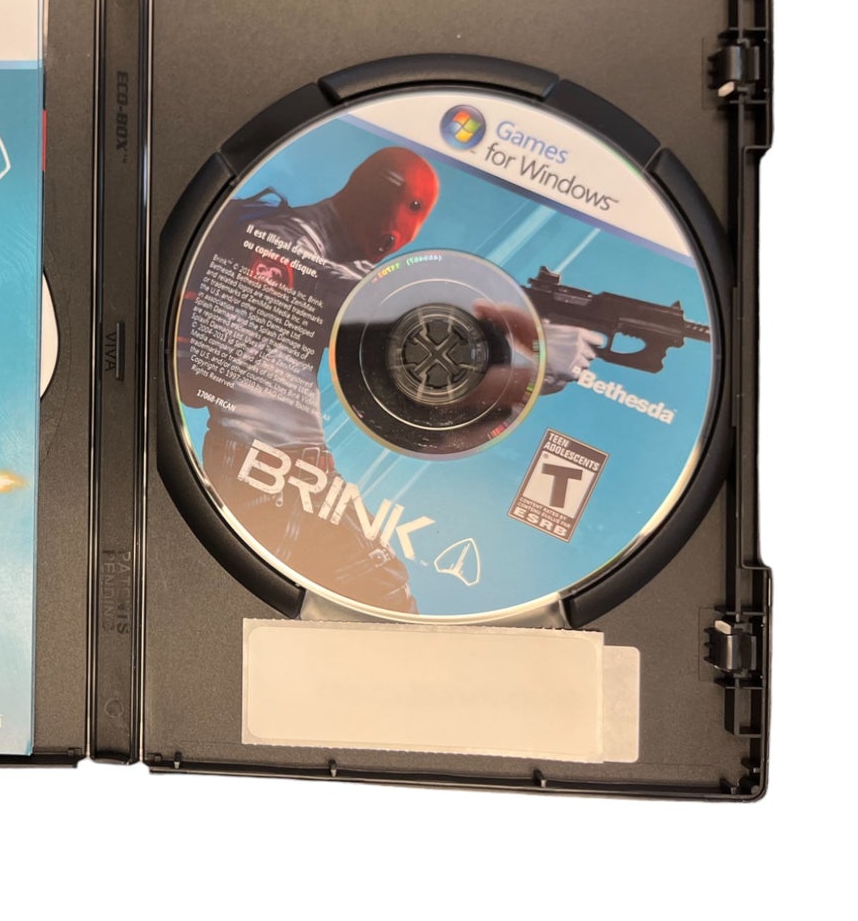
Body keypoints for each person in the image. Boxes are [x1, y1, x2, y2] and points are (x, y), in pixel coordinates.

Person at [177, 146, 602, 616]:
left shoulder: (347, 262)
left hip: (282, 463)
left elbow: (405, 372)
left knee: (363, 600)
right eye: (411, 208)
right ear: (374, 192)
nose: (401, 238)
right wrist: (525, 341)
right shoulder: (279, 240)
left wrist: (521, 367)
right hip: (266, 462)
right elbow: (369, 311)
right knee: (380, 596)